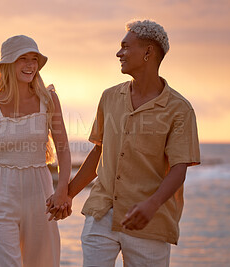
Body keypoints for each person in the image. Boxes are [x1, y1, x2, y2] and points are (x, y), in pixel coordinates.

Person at [47, 19, 201, 266]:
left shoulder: (179, 110)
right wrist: (68, 194)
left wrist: (152, 206)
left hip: (149, 222)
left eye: (125, 47)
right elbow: (99, 152)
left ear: (148, 52)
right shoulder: (109, 97)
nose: (119, 53)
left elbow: (179, 168)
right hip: (101, 213)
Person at [0, 35, 71, 267]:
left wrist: (62, 190)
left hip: (41, 195)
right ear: (8, 64)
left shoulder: (48, 100)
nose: (30, 65)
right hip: (1, 196)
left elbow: (64, 150)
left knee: (42, 263)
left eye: (34, 59)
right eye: (22, 59)